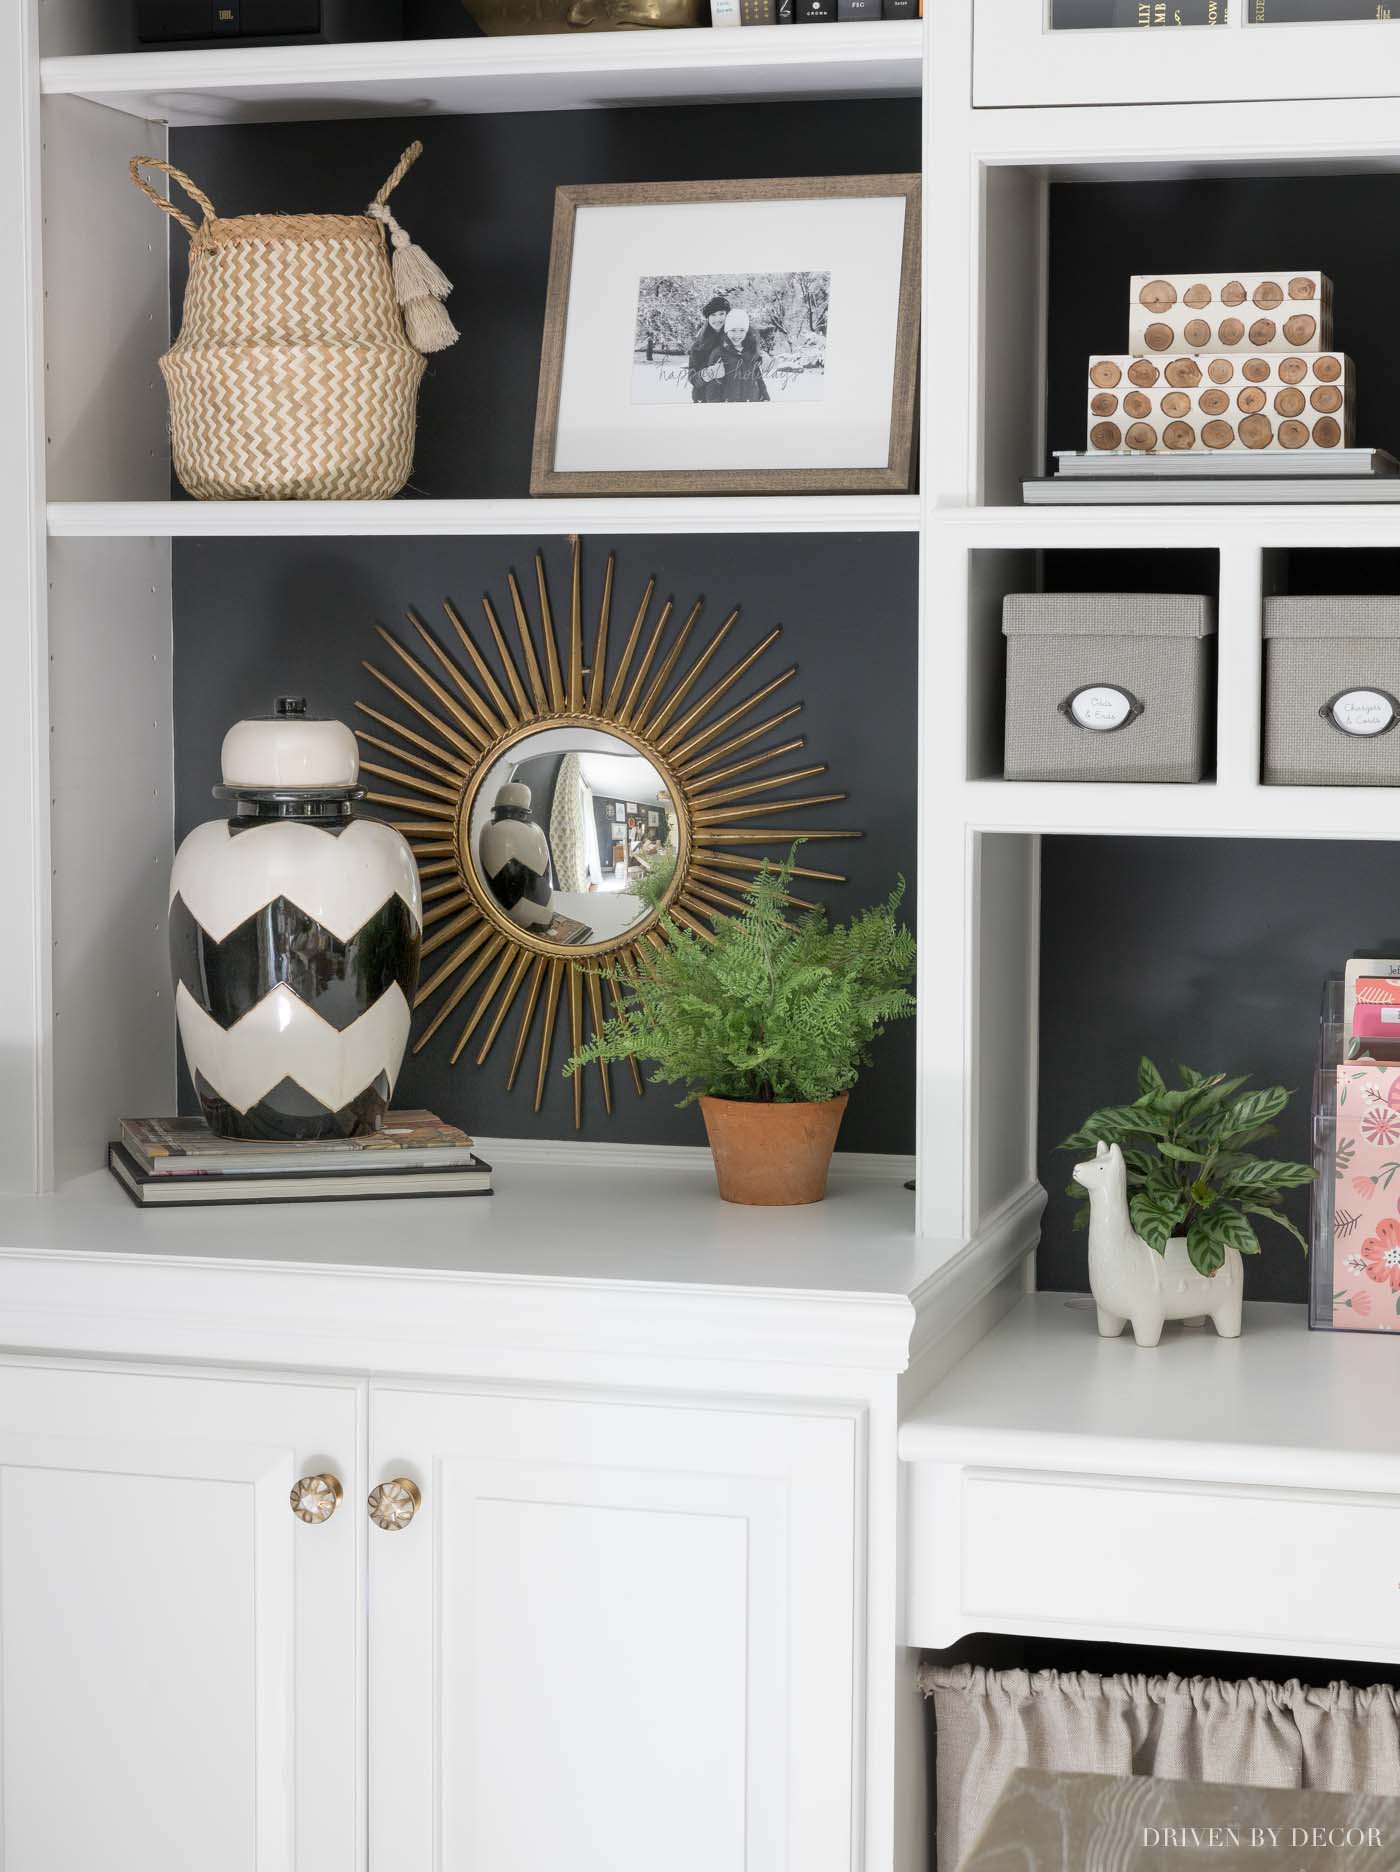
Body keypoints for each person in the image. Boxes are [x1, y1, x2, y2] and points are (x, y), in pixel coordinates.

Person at [716, 307, 769, 404]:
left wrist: (765, 396)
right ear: (727, 331)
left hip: (752, 403)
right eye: (733, 330)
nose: (737, 335)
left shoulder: (751, 351)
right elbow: (713, 386)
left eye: (741, 330)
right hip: (728, 406)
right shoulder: (720, 353)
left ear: (746, 331)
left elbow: (758, 378)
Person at [688, 294, 730, 403]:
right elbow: (692, 378)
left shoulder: (737, 338)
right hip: (704, 399)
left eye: (721, 314)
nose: (717, 318)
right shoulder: (698, 345)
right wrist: (708, 373)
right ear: (708, 318)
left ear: (727, 315)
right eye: (713, 315)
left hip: (731, 398)